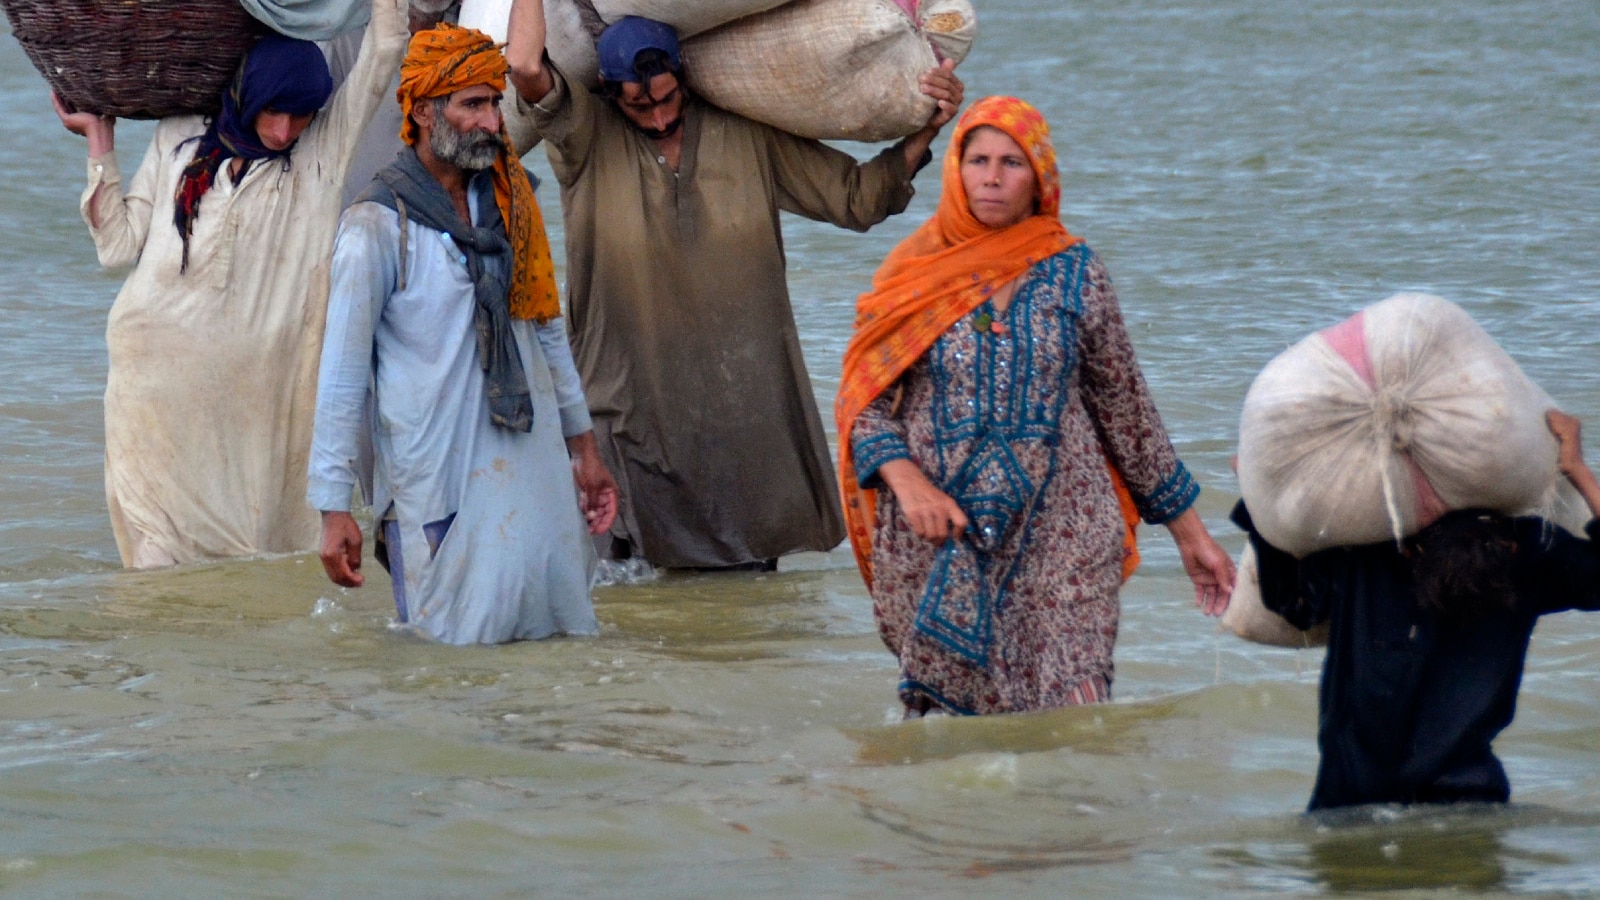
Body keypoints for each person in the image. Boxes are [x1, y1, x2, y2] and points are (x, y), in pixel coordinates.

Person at [502, 2, 965, 570]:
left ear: (687, 83)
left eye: (668, 97)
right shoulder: (585, 138)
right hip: (626, 410)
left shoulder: (744, 134)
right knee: (628, 600)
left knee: (745, 596)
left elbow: (858, 198)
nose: (658, 116)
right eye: (639, 103)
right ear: (608, 91)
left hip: (741, 417)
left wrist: (927, 127)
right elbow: (525, 67)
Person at [837, 96, 1236, 716]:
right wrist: (909, 483)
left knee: (1074, 719)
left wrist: (1193, 538)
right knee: (953, 744)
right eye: (978, 160)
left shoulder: (1076, 272)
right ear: (956, 171)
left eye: (1012, 163)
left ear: (1040, 179)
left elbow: (1127, 413)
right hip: (940, 535)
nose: (992, 178)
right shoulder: (914, 276)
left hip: (1066, 533)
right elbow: (862, 408)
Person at [51, 0, 408, 568]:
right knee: (155, 569)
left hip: (254, 408)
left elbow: (386, 47)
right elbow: (116, 247)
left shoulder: (321, 154)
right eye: (274, 112)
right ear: (247, 95)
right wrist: (99, 142)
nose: (285, 129)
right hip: (153, 393)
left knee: (259, 563)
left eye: (301, 116)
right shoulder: (180, 138)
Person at [308, 23, 617, 645]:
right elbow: (341, 376)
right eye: (472, 104)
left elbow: (547, 333)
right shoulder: (375, 226)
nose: (492, 122)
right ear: (423, 111)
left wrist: (584, 451)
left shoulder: (513, 204)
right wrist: (333, 507)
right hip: (435, 481)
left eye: (495, 103)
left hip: (531, 467)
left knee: (553, 641)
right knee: (449, 663)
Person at [1235, 410, 1600, 811]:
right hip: (1470, 805)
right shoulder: (1522, 552)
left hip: (1353, 807)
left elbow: (1296, 605)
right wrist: (1578, 471)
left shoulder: (1364, 544)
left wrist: (1259, 502)